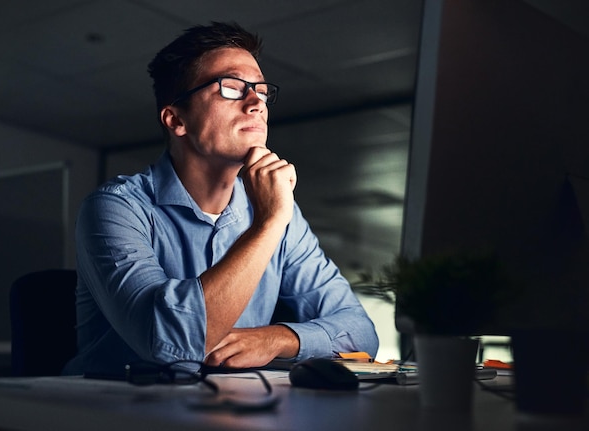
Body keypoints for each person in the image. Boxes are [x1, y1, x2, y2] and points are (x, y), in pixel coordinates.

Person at [63, 22, 378, 376]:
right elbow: (172, 344)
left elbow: (362, 334)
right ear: (176, 119)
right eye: (231, 88)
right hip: (111, 413)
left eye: (261, 90)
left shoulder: (281, 213)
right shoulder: (116, 208)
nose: (256, 102)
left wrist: (278, 338)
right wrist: (268, 224)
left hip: (225, 408)